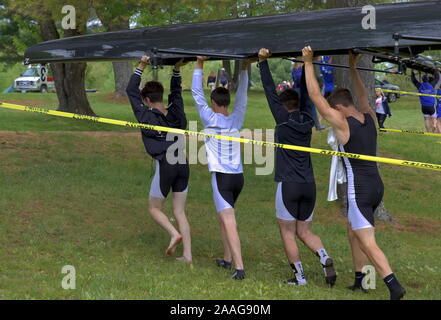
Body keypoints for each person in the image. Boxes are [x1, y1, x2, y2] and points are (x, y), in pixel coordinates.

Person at [302, 46, 406, 300]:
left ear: (338, 107)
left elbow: (315, 96)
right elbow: (363, 96)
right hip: (376, 187)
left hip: (358, 189)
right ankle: (360, 279)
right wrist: (352, 67)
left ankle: (394, 286)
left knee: (367, 241)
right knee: (353, 230)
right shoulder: (369, 116)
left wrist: (307, 62)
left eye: (332, 109)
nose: (330, 114)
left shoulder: (342, 123)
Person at [258, 48, 336, 287]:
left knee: (288, 232)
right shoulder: (308, 119)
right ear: (298, 104)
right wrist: (306, 62)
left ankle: (299, 277)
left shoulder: (282, 119)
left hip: (288, 184)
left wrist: (262, 62)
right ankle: (323, 256)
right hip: (309, 185)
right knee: (305, 231)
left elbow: (270, 91)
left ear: (283, 106)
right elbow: (305, 93)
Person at [126, 56, 193, 264]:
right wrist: (176, 71)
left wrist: (142, 65)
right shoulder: (176, 112)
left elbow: (130, 91)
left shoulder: (146, 115)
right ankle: (188, 256)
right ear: (161, 97)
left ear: (146, 100)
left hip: (166, 164)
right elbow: (177, 93)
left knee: (154, 208)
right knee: (179, 211)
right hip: (182, 162)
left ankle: (174, 234)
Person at [192, 56, 253, 280]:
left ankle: (239, 268)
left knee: (228, 221)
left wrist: (199, 65)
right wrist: (245, 68)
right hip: (238, 179)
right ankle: (227, 259)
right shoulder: (236, 118)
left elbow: (197, 95)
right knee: (223, 218)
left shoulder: (209, 119)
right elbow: (243, 96)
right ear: (227, 102)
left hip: (222, 179)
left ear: (214, 103)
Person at [293, 59, 326, 131]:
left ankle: (312, 125)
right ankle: (316, 125)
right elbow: (300, 80)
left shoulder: (296, 69)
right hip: (302, 91)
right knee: (308, 107)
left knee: (307, 108)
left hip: (301, 91)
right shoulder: (297, 69)